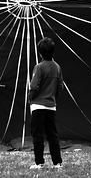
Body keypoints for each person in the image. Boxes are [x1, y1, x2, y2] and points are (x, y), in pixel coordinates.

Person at [28, 36, 64, 169]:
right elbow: (60, 86)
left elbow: (33, 86)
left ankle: (39, 162)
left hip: (38, 105)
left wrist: (30, 98)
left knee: (38, 135)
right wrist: (53, 97)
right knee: (52, 135)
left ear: (40, 53)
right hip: (51, 106)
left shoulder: (39, 67)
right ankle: (57, 162)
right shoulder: (57, 67)